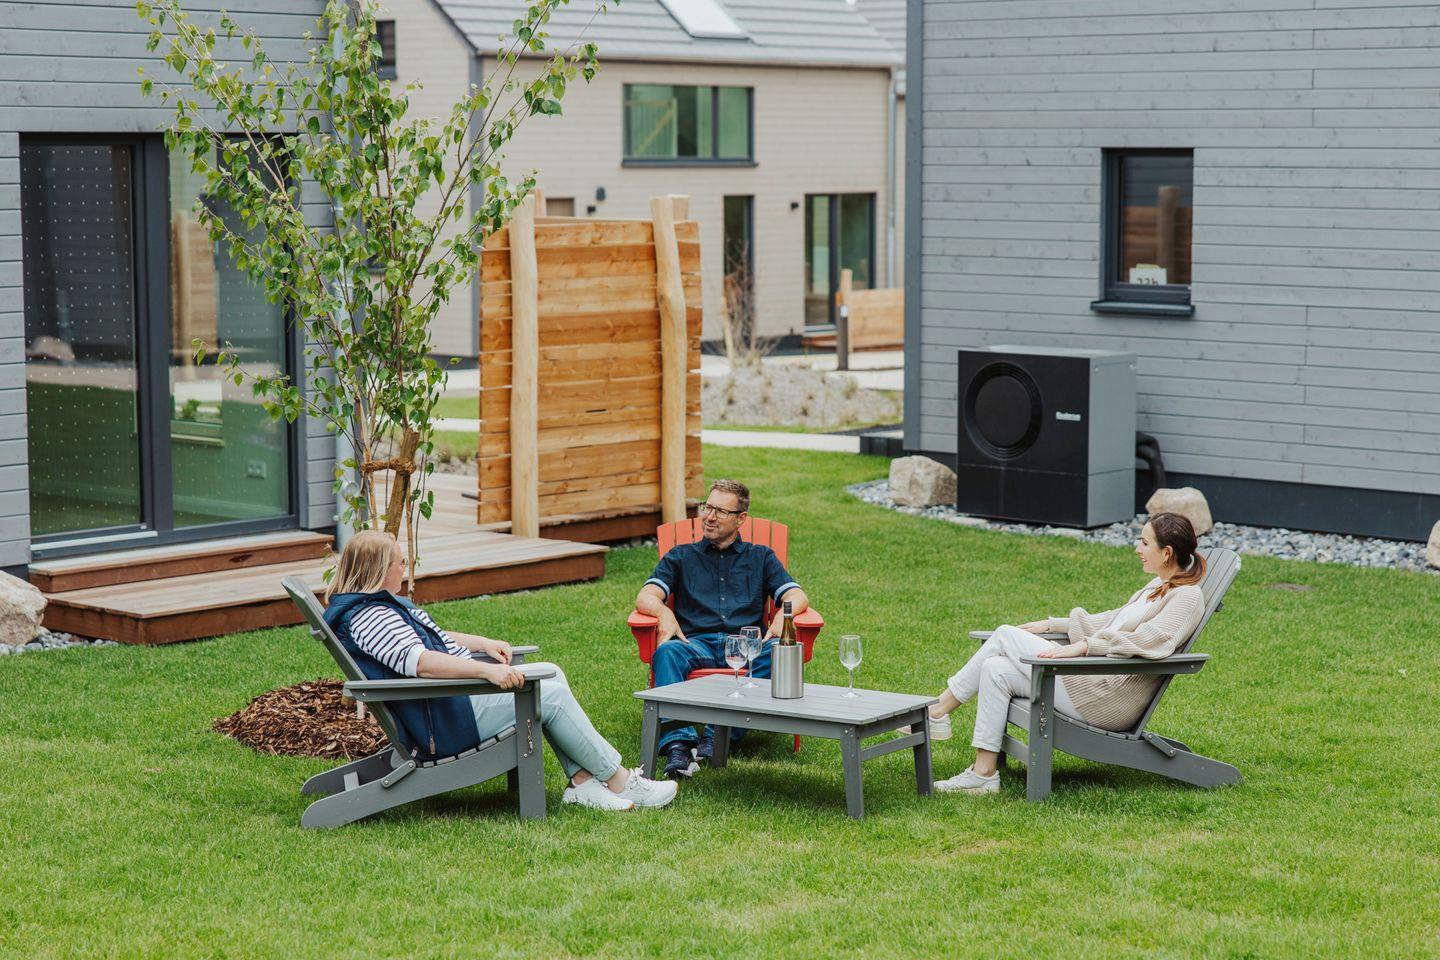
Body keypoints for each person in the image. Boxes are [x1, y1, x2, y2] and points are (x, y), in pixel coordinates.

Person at [324, 530, 676, 812]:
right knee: (549, 697)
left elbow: (432, 639)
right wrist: (486, 671)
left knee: (550, 673)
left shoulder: (376, 608)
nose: (405, 566)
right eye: (401, 562)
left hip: (448, 705)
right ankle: (619, 780)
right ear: (378, 570)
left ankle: (583, 782)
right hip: (445, 720)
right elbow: (423, 663)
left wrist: (482, 643)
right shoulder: (372, 617)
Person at [925, 512, 1207, 795]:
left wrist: (1085, 646)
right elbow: (1110, 620)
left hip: (1104, 697)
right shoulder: (1157, 586)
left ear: (1166, 553)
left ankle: (937, 711)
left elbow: (1153, 640)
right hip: (1090, 680)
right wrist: (1053, 625)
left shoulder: (1187, 596)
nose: (1137, 549)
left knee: (1004, 635)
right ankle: (984, 774)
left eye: (1144, 543)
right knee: (995, 669)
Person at [635, 478, 810, 779]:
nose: (710, 516)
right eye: (707, 507)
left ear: (741, 519)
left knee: (778, 651)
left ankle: (717, 734)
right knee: (667, 653)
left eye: (721, 511)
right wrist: (663, 612)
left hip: (746, 645)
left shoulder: (761, 557)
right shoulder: (681, 556)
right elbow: (646, 595)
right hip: (696, 644)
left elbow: (796, 595)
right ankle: (679, 744)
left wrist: (783, 617)